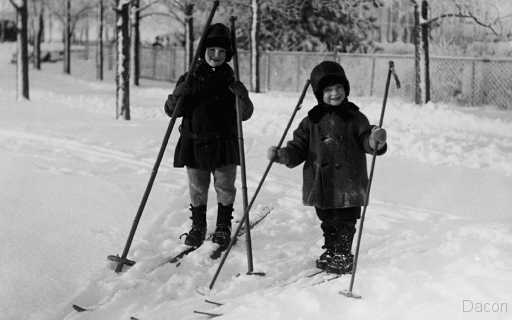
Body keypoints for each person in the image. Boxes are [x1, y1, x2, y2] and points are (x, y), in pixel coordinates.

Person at [267, 61, 387, 274]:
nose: (335, 93)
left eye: (339, 88)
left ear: (346, 89)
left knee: (345, 219)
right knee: (327, 218)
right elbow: (298, 147)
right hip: (320, 180)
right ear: (319, 93)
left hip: (348, 182)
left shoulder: (355, 117)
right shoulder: (311, 121)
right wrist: (283, 155)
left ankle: (343, 254)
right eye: (329, 90)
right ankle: (332, 249)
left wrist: (375, 140)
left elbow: (366, 140)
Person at [164, 23, 253, 250]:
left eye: (222, 52)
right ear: (202, 52)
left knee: (225, 186)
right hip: (195, 141)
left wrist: (242, 97)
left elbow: (245, 115)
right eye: (212, 50)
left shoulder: (232, 81)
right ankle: (198, 227)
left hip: (225, 142)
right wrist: (178, 94)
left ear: (228, 55)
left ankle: (223, 226)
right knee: (197, 187)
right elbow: (171, 111)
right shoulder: (189, 78)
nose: (216, 55)